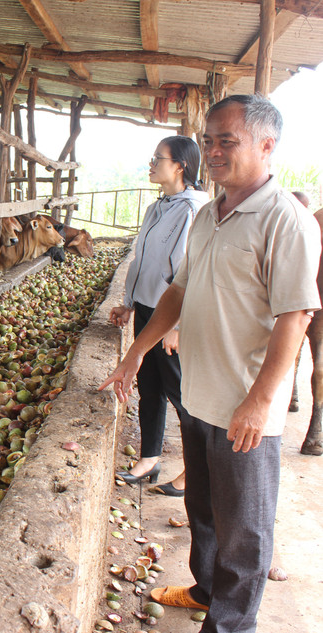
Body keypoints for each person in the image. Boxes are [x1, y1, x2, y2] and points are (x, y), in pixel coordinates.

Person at [100, 94, 321, 633]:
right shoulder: (208, 215)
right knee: (202, 509)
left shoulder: (285, 221)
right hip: (199, 396)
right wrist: (135, 352)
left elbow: (295, 319)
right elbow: (177, 292)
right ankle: (204, 589)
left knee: (245, 531)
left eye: (229, 140)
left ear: (267, 147)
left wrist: (260, 402)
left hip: (245, 409)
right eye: (209, 140)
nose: (214, 151)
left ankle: (229, 625)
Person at [110, 136, 207, 497]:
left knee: (181, 394)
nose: (151, 164)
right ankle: (149, 458)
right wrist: (130, 302)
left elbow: (189, 272)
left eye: (158, 158)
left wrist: (178, 326)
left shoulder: (193, 209)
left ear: (180, 166)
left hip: (173, 316)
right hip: (150, 309)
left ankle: (196, 470)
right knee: (149, 386)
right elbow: (143, 262)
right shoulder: (159, 206)